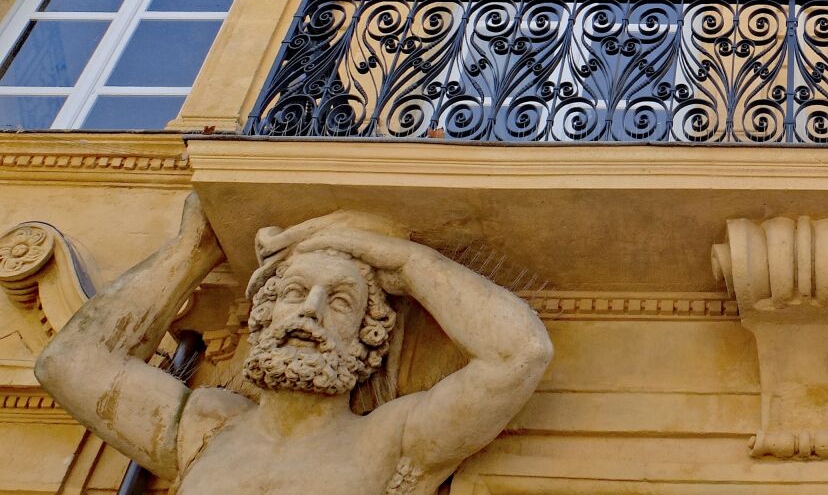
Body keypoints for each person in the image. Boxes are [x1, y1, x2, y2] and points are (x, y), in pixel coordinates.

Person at [36, 195, 552, 495]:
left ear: (369, 338)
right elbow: (69, 362)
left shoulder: (389, 441)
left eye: (342, 302)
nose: (312, 309)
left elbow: (518, 354)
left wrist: (406, 264)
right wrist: (195, 251)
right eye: (295, 293)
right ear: (262, 316)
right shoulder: (204, 427)